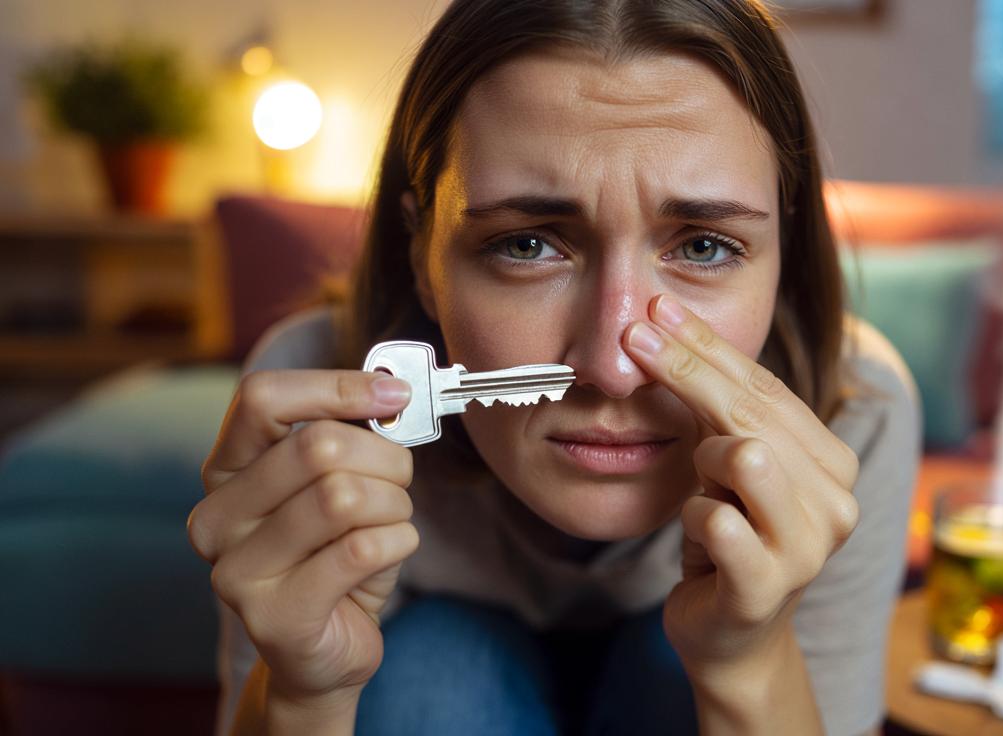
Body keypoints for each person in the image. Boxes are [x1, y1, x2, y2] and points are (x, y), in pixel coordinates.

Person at [186, 0, 919, 733]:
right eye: (528, 245)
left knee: (668, 661)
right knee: (433, 666)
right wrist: (304, 693)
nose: (613, 369)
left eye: (702, 247)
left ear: (782, 258)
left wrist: (748, 662)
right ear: (420, 254)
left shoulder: (855, 410)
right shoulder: (318, 413)